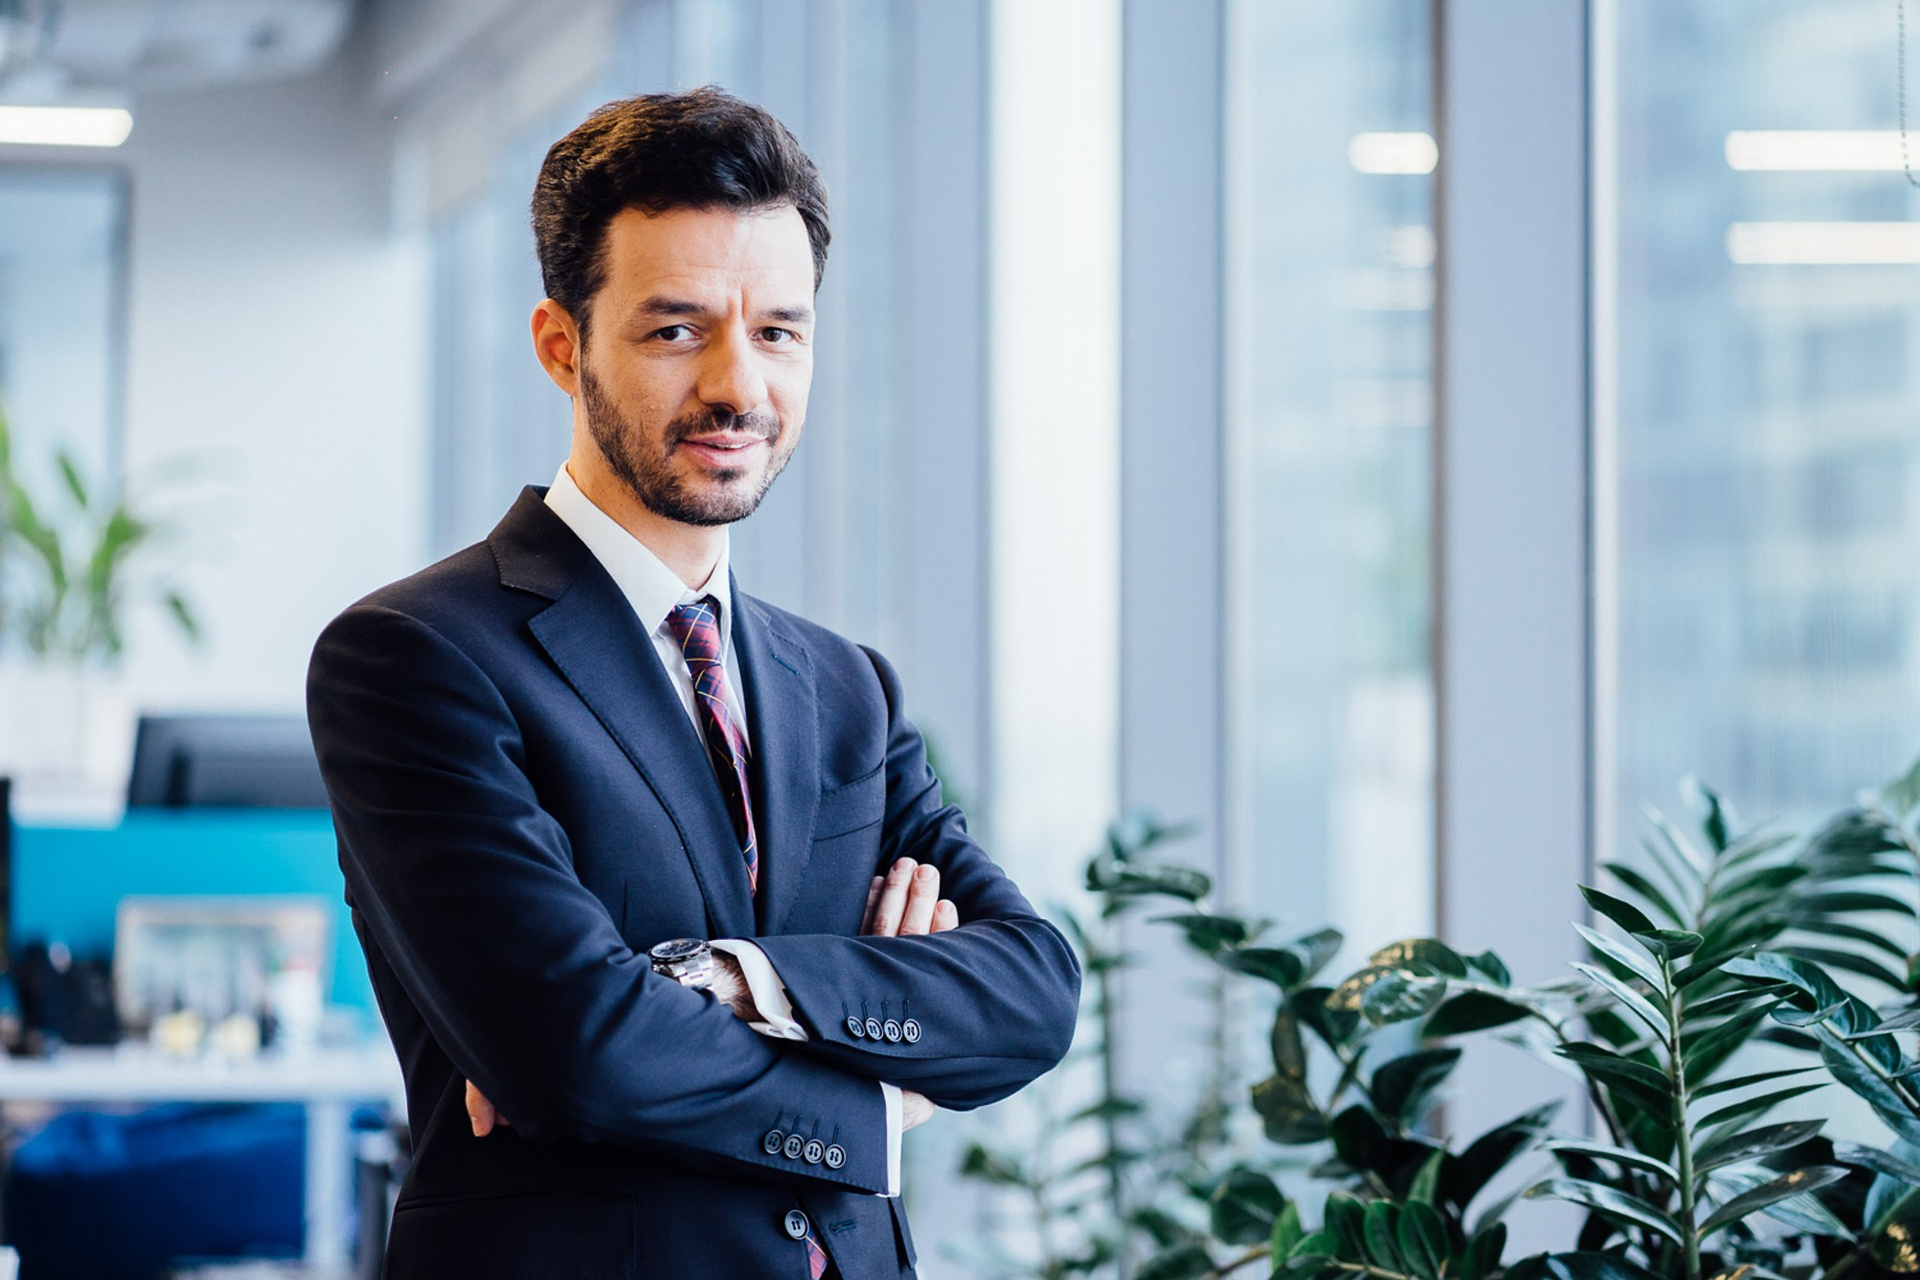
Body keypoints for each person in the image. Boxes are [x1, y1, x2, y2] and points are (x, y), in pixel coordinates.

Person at [305, 88, 1080, 1279]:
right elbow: (576, 1046)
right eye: (677, 330)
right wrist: (880, 1099)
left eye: (778, 331)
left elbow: (1030, 990)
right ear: (562, 345)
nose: (739, 385)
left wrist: (719, 979)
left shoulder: (846, 688)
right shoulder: (417, 654)